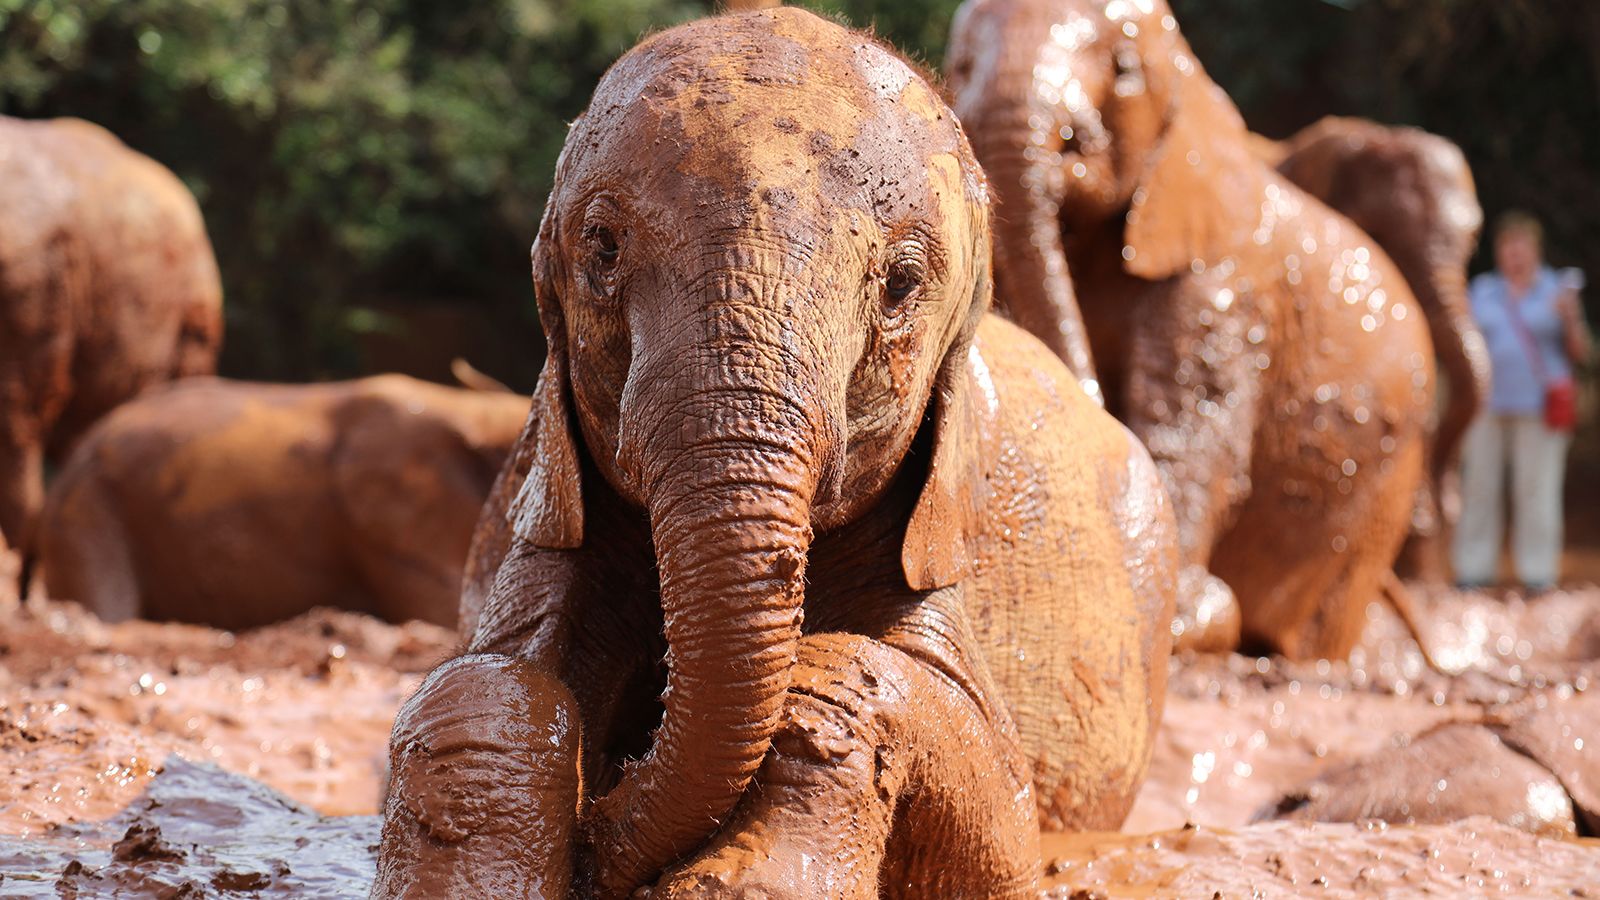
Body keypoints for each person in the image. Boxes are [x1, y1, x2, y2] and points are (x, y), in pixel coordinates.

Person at [1452, 211, 1592, 591]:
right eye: (1507, 247)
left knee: (1537, 491)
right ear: (1498, 253)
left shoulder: (1557, 289)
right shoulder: (1481, 292)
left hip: (1540, 409)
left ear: (1535, 250)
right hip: (1488, 406)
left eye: (1521, 247)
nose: (1514, 255)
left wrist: (1569, 319)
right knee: (1479, 488)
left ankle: (1538, 574)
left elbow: (1581, 353)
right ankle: (1473, 570)